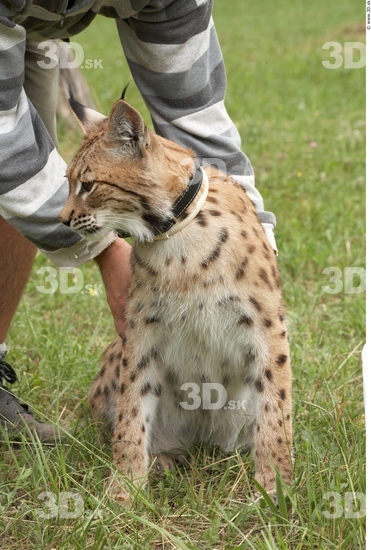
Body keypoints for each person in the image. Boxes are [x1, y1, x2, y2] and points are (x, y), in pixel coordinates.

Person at [0, 0, 277, 442]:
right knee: (16, 165)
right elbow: (5, 145)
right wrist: (106, 250)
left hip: (36, 25)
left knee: (31, 163)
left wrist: (255, 249)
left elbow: (195, 118)